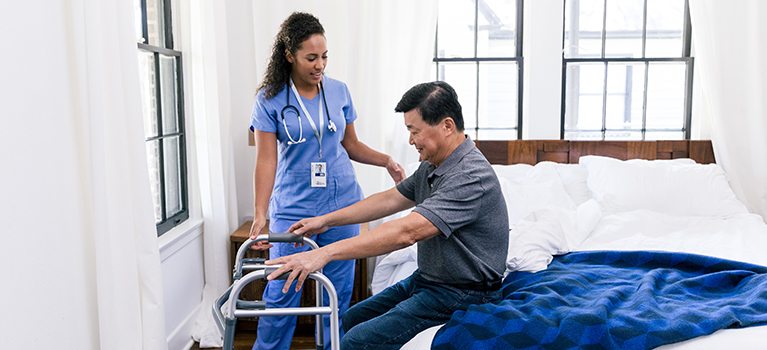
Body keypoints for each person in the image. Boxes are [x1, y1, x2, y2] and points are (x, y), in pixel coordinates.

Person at [265, 81, 510, 349]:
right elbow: (390, 199)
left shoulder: (470, 176)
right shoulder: (433, 164)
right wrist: (325, 220)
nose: (410, 140)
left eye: (414, 131)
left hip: (465, 293)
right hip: (429, 281)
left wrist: (324, 253)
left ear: (447, 126)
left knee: (357, 341)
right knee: (353, 318)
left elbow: (407, 232)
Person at [248, 12, 405, 350]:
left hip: (343, 204)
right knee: (282, 291)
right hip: (294, 207)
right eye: (311, 58)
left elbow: (351, 145)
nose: (320, 65)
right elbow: (265, 159)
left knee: (337, 291)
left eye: (324, 57)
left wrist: (386, 160)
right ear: (289, 55)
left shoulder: (338, 91)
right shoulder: (269, 99)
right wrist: (261, 214)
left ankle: (331, 347)